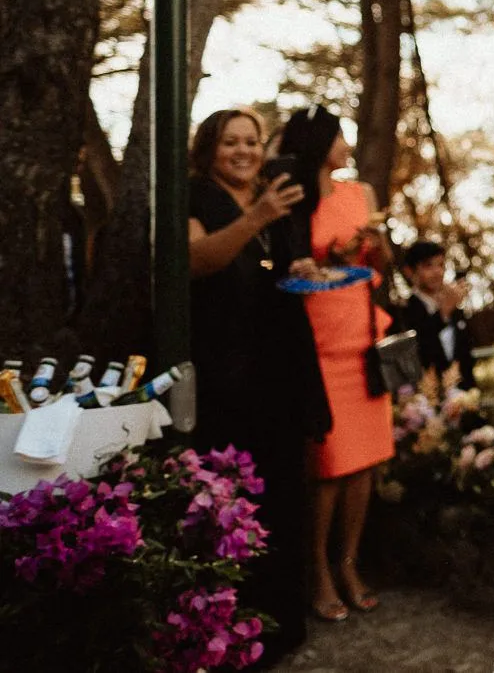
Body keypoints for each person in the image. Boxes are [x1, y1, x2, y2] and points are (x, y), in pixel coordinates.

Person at [186, 107, 332, 665]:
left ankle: (281, 624)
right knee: (231, 504)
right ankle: (230, 626)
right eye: (230, 142)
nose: (244, 151)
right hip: (226, 377)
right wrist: (257, 217)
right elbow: (197, 261)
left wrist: (306, 268)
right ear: (209, 149)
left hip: (280, 375)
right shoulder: (197, 195)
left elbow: (284, 263)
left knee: (283, 499)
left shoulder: (274, 197)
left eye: (251, 141)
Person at [276, 105, 394, 624]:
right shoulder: (294, 198)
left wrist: (373, 245)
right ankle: (316, 570)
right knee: (327, 468)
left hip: (364, 336)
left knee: (365, 464)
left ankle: (349, 564)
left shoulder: (360, 194)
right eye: (340, 135)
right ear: (320, 142)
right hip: (316, 345)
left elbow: (382, 266)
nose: (347, 144)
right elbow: (287, 267)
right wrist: (328, 259)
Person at [395, 240, 477, 392]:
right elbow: (419, 351)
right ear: (409, 271)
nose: (437, 272)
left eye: (441, 265)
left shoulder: (454, 308)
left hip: (464, 398)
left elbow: (467, 352)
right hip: (426, 399)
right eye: (428, 266)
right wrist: (443, 313)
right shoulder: (403, 310)